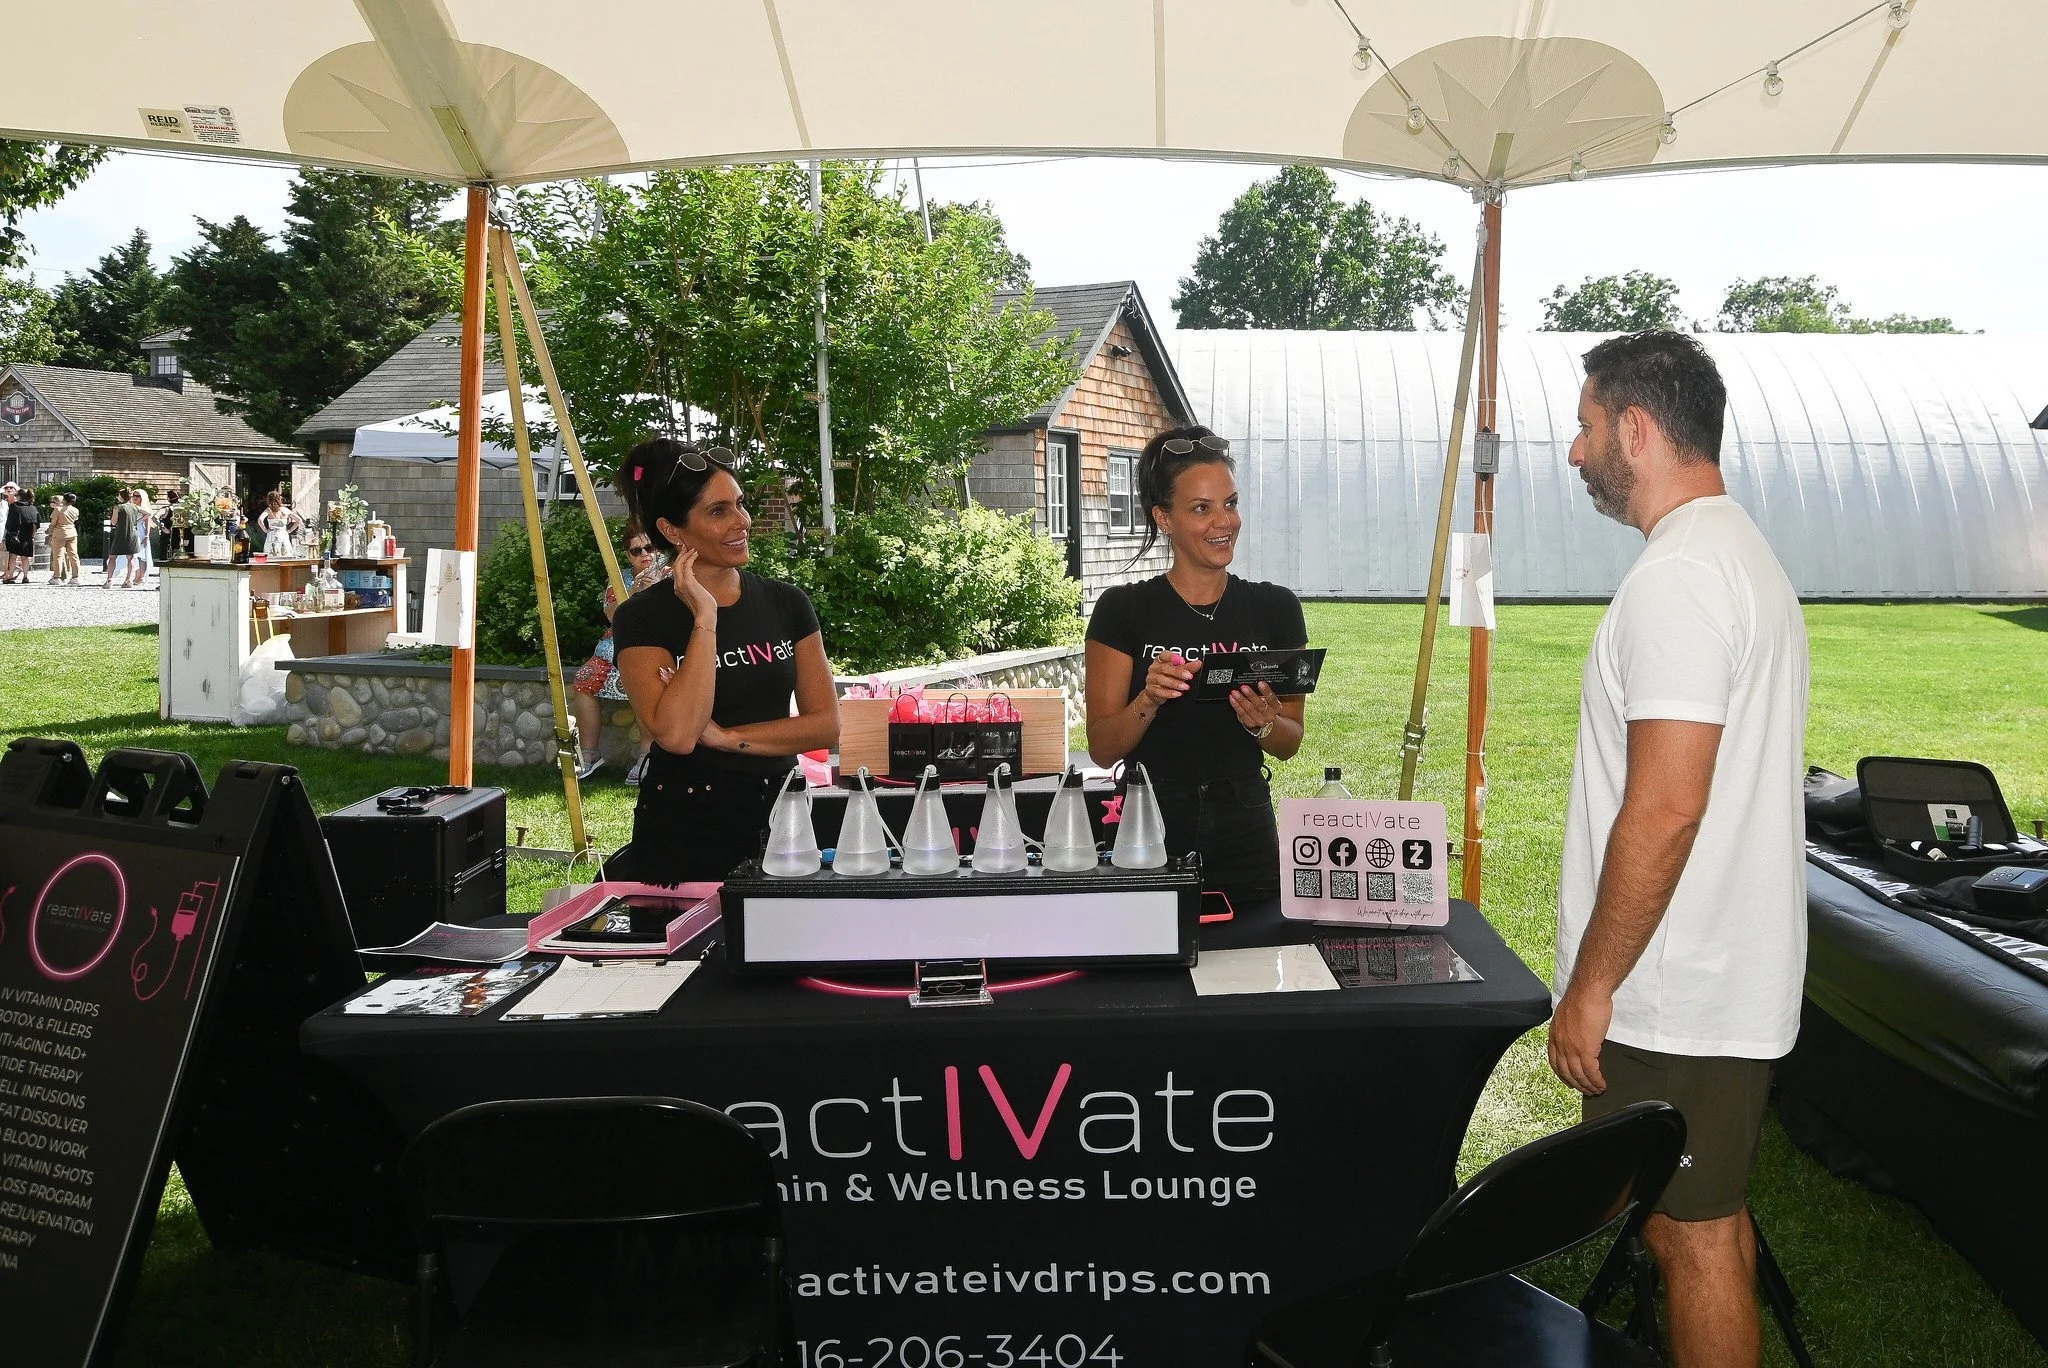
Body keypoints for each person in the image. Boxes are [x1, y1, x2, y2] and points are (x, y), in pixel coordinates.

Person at [1546, 332, 1809, 1368]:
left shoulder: (1683, 576)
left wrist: (1591, 987)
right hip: (1704, 977)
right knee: (1703, 1223)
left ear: (1636, 429)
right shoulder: (1727, 551)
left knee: (1687, 1238)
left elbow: (1664, 808)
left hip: (1676, 989)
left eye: (1584, 424)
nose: (1574, 451)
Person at [1084, 425, 1307, 924]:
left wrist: (1264, 723)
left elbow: (1289, 741)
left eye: (1230, 503)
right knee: (1152, 971)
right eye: (1201, 508)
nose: (1222, 522)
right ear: (1164, 518)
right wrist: (1148, 700)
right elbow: (1102, 746)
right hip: (1150, 813)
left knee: (1250, 961)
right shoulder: (1124, 610)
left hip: (1245, 815)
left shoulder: (1275, 608)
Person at [612, 438, 839, 884]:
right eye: (718, 511)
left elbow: (825, 726)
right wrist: (705, 617)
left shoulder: (786, 602)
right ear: (673, 531)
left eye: (739, 504)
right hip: (686, 831)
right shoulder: (642, 617)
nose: (742, 521)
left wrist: (725, 737)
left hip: (782, 819)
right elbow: (676, 735)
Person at [573, 527, 670, 784]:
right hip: (616, 648)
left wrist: (658, 588)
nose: (645, 555)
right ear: (628, 556)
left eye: (649, 548)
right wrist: (633, 593)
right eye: (637, 551)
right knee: (585, 679)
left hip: (656, 646)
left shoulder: (670, 575)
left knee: (645, 684)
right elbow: (612, 615)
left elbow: (678, 612)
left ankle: (646, 755)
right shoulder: (620, 578)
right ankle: (589, 755)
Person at [104, 489, 142, 588]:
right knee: (131, 557)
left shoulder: (118, 507)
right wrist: (137, 521)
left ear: (121, 496)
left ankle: (109, 579)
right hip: (132, 533)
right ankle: (129, 579)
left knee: (113, 557)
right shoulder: (135, 507)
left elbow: (113, 522)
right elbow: (148, 513)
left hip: (121, 533)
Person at [257, 489, 305, 558]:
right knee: (286, 555)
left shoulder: (268, 510)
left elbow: (260, 520)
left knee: (272, 557)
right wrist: (290, 530)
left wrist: (265, 530)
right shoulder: (285, 510)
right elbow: (299, 520)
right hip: (283, 534)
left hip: (272, 535)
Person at [0, 486, 33, 583]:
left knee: (13, 556)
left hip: (15, 534)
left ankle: (10, 576)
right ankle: (25, 576)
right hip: (27, 535)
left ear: (18, 496)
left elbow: (9, 522)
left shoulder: (14, 506)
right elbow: (35, 523)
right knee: (25, 557)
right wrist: (32, 535)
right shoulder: (32, 507)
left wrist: (5, 535)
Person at [45, 494, 79, 584]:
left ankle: (57, 577)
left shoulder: (58, 510)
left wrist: (50, 532)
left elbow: (53, 523)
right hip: (72, 532)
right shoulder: (76, 510)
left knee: (58, 556)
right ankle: (75, 577)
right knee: (73, 555)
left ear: (64, 500)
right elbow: (75, 519)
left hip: (59, 532)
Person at [129, 489, 154, 587]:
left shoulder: (144, 509)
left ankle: (142, 576)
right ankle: (137, 575)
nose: (135, 497)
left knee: (142, 555)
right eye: (134, 495)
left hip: (141, 532)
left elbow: (147, 523)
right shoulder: (131, 507)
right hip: (132, 531)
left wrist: (147, 536)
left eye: (138, 496)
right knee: (134, 555)